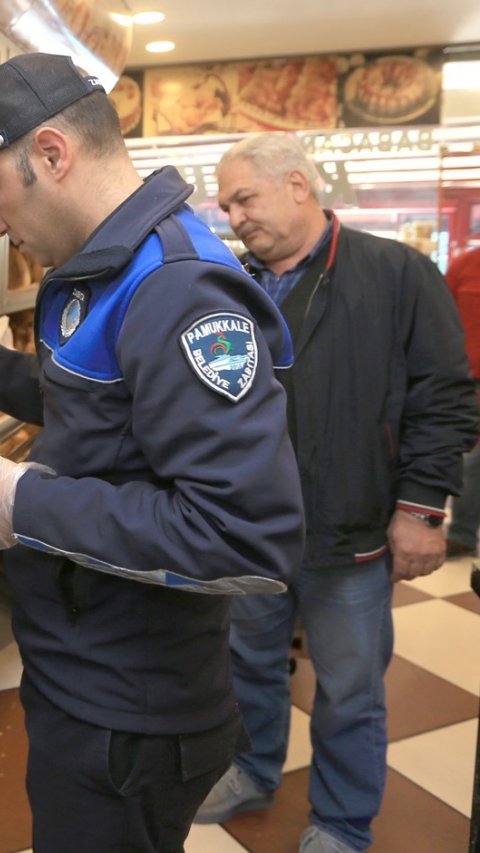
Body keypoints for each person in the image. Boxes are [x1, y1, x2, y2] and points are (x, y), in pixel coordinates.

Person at [0, 54, 306, 852]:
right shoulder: (98, 269)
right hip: (83, 670)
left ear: (51, 153)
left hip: (132, 709)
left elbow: (244, 536)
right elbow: (107, 409)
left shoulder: (178, 287)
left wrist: (25, 504)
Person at [196, 133, 478, 853]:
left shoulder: (397, 271)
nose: (234, 216)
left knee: (351, 688)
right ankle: (254, 768)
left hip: (351, 526)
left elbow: (444, 395)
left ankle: (342, 820)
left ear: (297, 185)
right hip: (252, 527)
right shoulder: (233, 284)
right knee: (248, 663)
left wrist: (420, 506)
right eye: (226, 204)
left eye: (244, 198)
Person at [444, 245, 480, 557]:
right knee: (471, 460)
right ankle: (463, 533)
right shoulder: (465, 264)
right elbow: (442, 320)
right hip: (471, 379)